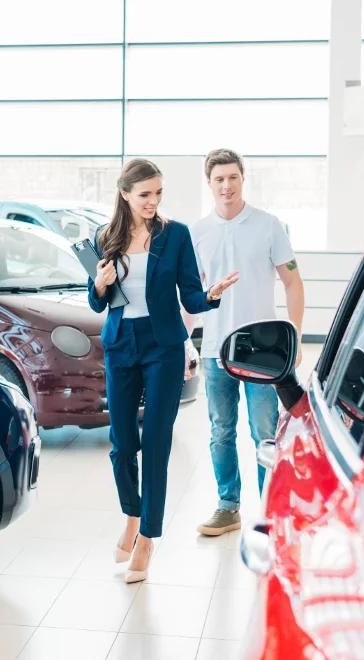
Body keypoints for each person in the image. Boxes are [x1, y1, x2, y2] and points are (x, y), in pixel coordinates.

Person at [89, 158, 238, 583]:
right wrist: (98, 285)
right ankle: (132, 516)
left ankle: (148, 538)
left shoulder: (176, 235)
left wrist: (211, 296)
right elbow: (98, 302)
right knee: (121, 444)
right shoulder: (106, 237)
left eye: (158, 193)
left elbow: (190, 297)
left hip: (164, 346)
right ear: (125, 194)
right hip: (121, 344)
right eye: (144, 194)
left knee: (155, 443)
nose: (153, 201)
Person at [186, 148, 305, 537]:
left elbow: (292, 281)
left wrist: (296, 336)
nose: (226, 185)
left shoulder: (269, 225)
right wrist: (185, 342)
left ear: (243, 178)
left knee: (264, 433)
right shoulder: (197, 232)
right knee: (221, 429)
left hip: (262, 352)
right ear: (209, 183)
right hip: (215, 349)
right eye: (218, 179)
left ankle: (269, 510)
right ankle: (227, 506)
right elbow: (189, 297)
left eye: (232, 177)